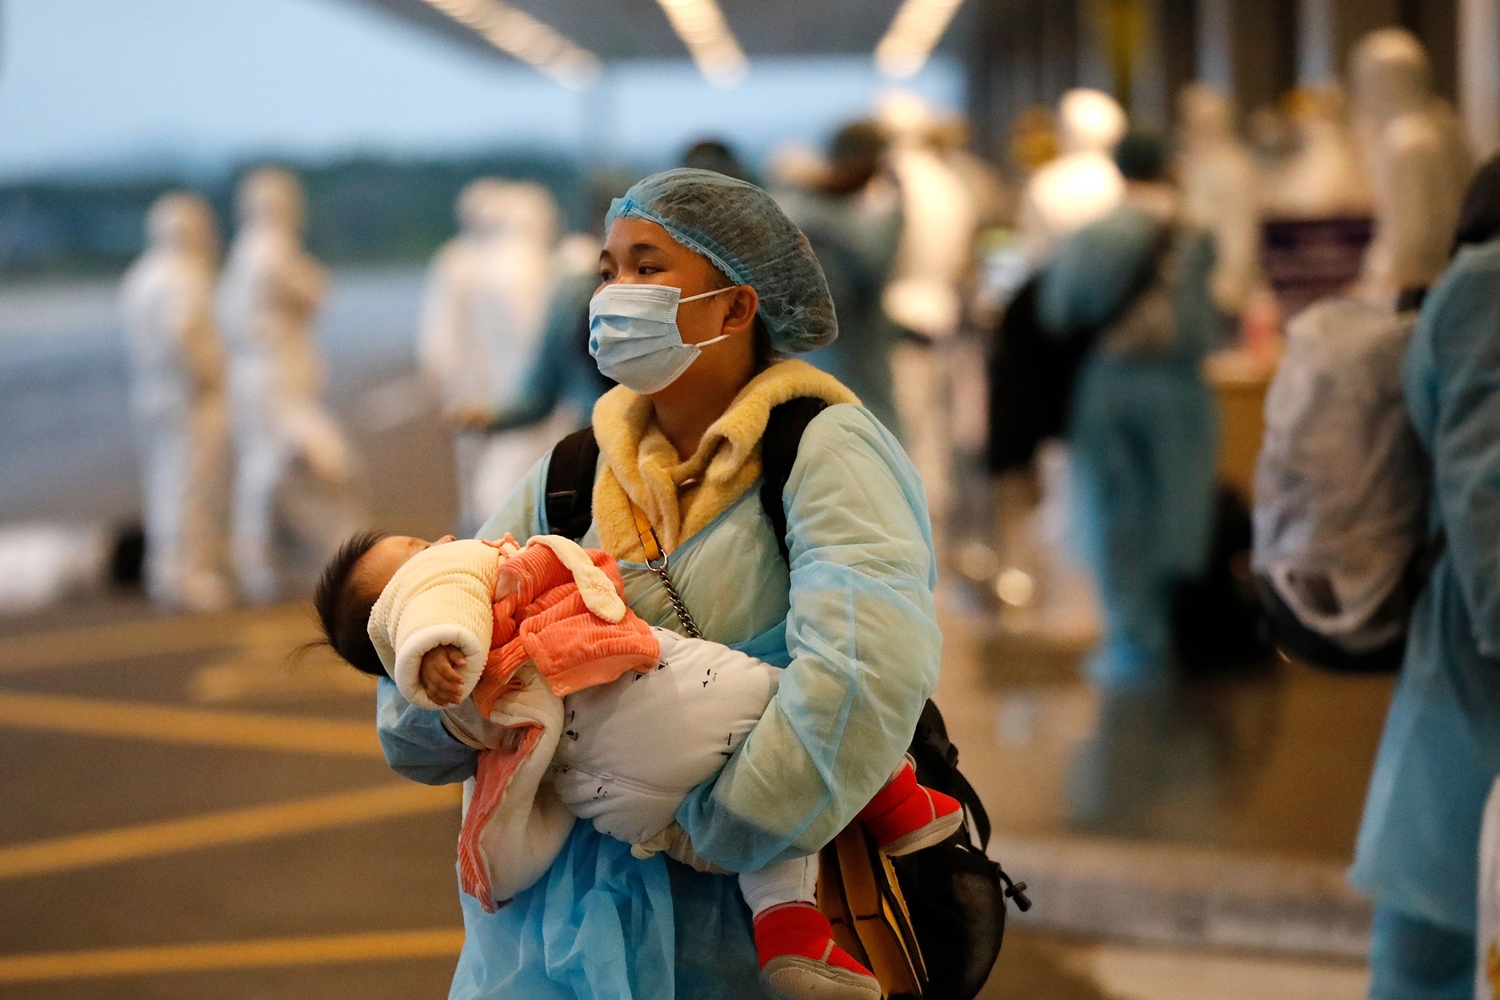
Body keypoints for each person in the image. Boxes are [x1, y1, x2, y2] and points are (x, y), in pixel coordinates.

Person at [373, 168, 942, 999]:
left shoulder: (823, 452)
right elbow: (421, 676)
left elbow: (864, 675)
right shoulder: (571, 473)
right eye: (607, 270)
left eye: (647, 268)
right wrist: (438, 682)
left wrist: (716, 829)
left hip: (749, 938)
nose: (613, 294)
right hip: (559, 947)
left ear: (736, 308)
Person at [317, 529, 962, 999]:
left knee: (769, 826)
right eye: (417, 549)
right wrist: (433, 648)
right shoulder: (449, 586)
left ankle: (788, 928)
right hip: (656, 699)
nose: (441, 542)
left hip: (608, 801)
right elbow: (433, 612)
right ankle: (896, 800)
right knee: (796, 710)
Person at [1350, 155, 1500, 1000]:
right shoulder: (1489, 289)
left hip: (1471, 645)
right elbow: (1487, 495)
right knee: (1442, 926)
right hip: (1482, 651)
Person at [1038, 135, 1219, 825]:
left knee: (1115, 509)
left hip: (1112, 382)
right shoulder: (1195, 232)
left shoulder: (1095, 233)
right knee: (1180, 504)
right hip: (1181, 385)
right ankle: (1173, 630)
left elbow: (1060, 309)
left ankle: (1131, 639)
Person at [218, 167, 360, 602]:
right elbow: (315, 292)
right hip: (275, 381)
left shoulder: (248, 251)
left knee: (271, 470)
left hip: (270, 377)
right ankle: (274, 564)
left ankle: (274, 562)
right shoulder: (270, 251)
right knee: (308, 463)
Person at [420, 180, 566, 534]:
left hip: (486, 388)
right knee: (510, 477)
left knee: (485, 478)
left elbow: (440, 336)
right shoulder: (522, 268)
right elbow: (537, 344)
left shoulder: (483, 263)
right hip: (517, 392)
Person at [119, 192, 232, 610]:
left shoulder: (140, 275)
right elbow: (184, 332)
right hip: (188, 397)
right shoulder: (185, 276)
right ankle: (189, 573)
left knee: (164, 485)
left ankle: (164, 569)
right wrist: (212, 371)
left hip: (151, 394)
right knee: (192, 486)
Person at [781, 121, 906, 436]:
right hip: (831, 357)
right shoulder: (808, 214)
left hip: (858, 354)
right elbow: (868, 270)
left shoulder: (837, 213)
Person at [1350, 28, 1474, 305]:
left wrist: (1371, 289)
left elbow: (1408, 241)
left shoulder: (1403, 142)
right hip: (1451, 281)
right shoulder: (1448, 127)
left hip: (1418, 292)